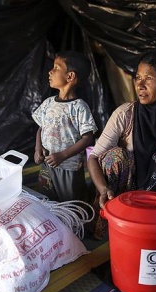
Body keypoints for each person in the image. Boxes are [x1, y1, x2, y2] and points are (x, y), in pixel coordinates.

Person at [87, 49, 156, 238]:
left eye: (148, 78)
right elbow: (94, 157)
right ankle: (110, 222)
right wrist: (104, 189)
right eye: (138, 77)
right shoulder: (125, 114)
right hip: (120, 197)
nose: (139, 84)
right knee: (115, 156)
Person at [32, 50, 98, 202]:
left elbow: (88, 138)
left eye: (56, 68)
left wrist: (63, 155)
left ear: (70, 76)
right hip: (47, 165)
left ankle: (75, 225)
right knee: (48, 200)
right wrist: (37, 148)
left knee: (71, 202)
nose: (50, 71)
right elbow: (41, 128)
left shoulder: (79, 107)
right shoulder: (48, 103)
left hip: (69, 167)